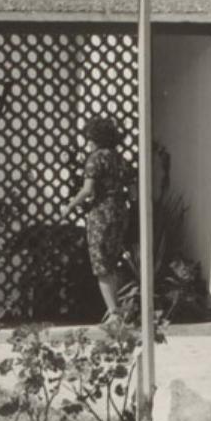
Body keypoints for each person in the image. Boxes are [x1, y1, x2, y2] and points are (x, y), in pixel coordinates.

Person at [65, 117, 129, 320]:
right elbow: (133, 189)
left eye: (89, 137)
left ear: (96, 138)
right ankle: (116, 308)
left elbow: (88, 190)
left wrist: (70, 206)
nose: (87, 141)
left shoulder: (95, 159)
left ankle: (113, 312)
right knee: (113, 261)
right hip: (119, 211)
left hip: (101, 214)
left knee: (101, 264)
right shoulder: (120, 159)